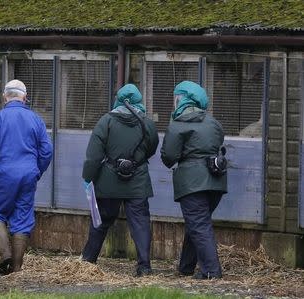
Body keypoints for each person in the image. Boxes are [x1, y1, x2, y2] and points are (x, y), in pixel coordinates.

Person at [0, 79, 53, 275]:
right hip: (28, 176)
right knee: (22, 219)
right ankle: (16, 270)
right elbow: (47, 150)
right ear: (25, 97)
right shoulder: (36, 119)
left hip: (3, 175)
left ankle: (6, 254)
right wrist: (36, 171)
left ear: (4, 97)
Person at [81, 83, 159, 277]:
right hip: (138, 179)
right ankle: (144, 266)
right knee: (140, 223)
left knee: (101, 222)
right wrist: (137, 161)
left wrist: (88, 178)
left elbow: (93, 156)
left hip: (109, 181)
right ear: (138, 101)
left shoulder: (106, 121)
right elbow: (152, 148)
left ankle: (88, 261)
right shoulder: (147, 123)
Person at [160, 81, 227, 279]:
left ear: (182, 99)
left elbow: (168, 157)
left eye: (176, 97)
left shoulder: (178, 124)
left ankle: (211, 271)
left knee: (198, 224)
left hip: (192, 183)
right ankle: (186, 267)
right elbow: (218, 141)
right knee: (196, 223)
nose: (174, 101)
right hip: (216, 180)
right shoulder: (214, 122)